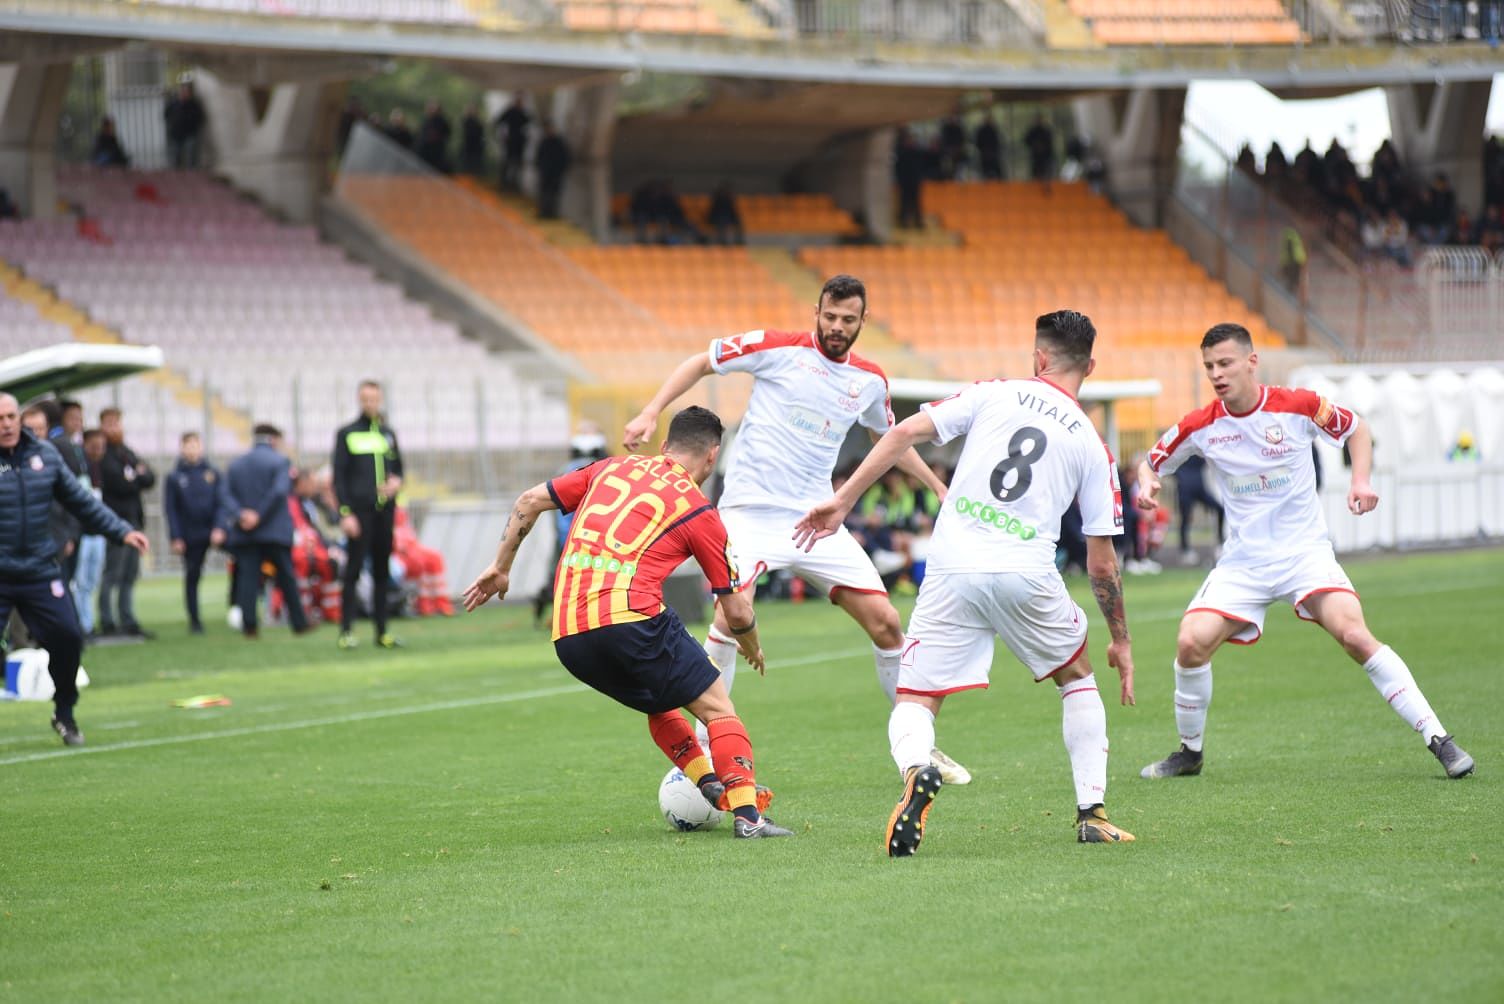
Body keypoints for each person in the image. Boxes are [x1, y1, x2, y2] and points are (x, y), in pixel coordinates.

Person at [794, 310, 1137, 853]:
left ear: (1039, 357)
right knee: (1076, 678)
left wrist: (842, 500)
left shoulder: (992, 393)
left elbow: (902, 432)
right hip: (1026, 570)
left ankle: (916, 768)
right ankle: (1092, 813)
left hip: (952, 566)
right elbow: (1102, 563)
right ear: (1089, 367)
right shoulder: (1094, 446)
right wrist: (1121, 639)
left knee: (915, 697)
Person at [623, 275, 970, 784]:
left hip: (816, 520)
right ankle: (706, 751)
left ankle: (919, 747)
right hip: (749, 513)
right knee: (729, 616)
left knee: (887, 623)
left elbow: (891, 439)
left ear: (862, 321)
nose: (837, 326)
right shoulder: (777, 348)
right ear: (817, 312)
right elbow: (701, 361)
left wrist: (938, 488)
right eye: (829, 316)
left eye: (847, 319)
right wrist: (651, 411)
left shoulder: (870, 381)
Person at [1136, 323, 1473, 781]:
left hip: (1303, 555)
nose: (1216, 374)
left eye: (1225, 363)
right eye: (1209, 366)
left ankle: (1440, 739)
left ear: (1251, 362)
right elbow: (1150, 462)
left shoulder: (1299, 405)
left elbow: (1357, 428)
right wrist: (1147, 483)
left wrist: (1360, 480)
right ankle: (1189, 753)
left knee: (1354, 635)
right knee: (1190, 643)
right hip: (1244, 563)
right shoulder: (1201, 424)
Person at [462, 406, 792, 839]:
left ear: (665, 446)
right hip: (629, 619)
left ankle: (710, 785)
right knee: (717, 708)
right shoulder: (698, 510)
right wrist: (752, 644)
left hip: (567, 635)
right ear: (713, 456)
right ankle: (749, 818)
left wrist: (501, 567)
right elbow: (737, 611)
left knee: (658, 701)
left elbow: (529, 500)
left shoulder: (610, 468)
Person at [0, 393, 148, 746]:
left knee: (68, 637)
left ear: (19, 418)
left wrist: (121, 530)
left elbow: (82, 502)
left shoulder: (45, 456)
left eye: (10, 417)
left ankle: (64, 712)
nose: (6, 424)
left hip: (39, 569)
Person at [332, 380, 404, 650]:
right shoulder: (347, 433)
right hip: (359, 513)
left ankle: (382, 631)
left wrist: (396, 483)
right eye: (365, 399)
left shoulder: (388, 434)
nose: (370, 403)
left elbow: (399, 469)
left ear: (380, 399)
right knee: (353, 571)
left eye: (374, 399)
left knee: (382, 571)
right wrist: (345, 513)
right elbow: (339, 477)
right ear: (359, 400)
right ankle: (346, 631)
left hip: (384, 512)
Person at [224, 425, 309, 638]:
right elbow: (279, 491)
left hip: (246, 532)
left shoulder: (236, 464)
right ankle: (299, 623)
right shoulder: (280, 461)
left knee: (248, 578)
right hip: (273, 530)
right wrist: (259, 515)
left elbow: (225, 494)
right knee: (286, 576)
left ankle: (249, 625)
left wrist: (242, 514)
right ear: (273, 439)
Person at [533, 429, 608, 627]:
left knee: (559, 576)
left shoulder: (565, 472)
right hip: (594, 537)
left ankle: (551, 613)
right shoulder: (604, 472)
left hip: (569, 536)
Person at [97, 407, 155, 638]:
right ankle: (107, 621)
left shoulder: (126, 452)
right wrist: (135, 476)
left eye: (117, 423)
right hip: (116, 524)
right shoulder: (104, 454)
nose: (114, 428)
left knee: (130, 574)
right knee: (113, 573)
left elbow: (149, 476)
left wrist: (134, 476)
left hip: (134, 521)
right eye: (109, 423)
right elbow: (119, 484)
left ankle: (127, 619)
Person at [164, 432, 228, 633]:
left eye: (195, 445)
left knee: (244, 559)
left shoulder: (213, 473)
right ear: (182, 448)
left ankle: (239, 607)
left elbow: (221, 503)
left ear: (201, 447)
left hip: (213, 531)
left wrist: (219, 527)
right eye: (188, 445)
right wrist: (176, 536)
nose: (192, 449)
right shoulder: (174, 477)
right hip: (190, 535)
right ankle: (195, 620)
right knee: (193, 575)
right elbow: (171, 509)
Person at [73, 428, 108, 636]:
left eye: (101, 447)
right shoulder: (79, 466)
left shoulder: (98, 468)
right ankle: (83, 625)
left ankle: (88, 622)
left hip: (98, 534)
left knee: (91, 582)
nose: (98, 450)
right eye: (94, 446)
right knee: (80, 582)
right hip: (83, 535)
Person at [1173, 453, 1224, 565]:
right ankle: (1185, 549)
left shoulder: (1200, 448)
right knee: (1185, 519)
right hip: (1185, 489)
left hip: (1200, 488)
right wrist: (1180, 477)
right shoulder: (1180, 450)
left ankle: (1220, 543)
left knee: (1220, 509)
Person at [163, 81, 206, 169]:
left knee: (191, 154)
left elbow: (200, 117)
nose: (184, 93)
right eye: (182, 91)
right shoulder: (173, 103)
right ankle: (177, 172)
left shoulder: (194, 104)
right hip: (176, 133)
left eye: (186, 92)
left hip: (190, 133)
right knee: (176, 155)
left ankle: (191, 172)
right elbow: (166, 114)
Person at [534, 123, 570, 220]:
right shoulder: (544, 142)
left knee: (554, 193)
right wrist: (539, 166)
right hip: (545, 171)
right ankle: (543, 211)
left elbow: (565, 158)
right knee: (544, 192)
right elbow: (539, 156)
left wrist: (561, 170)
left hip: (556, 173)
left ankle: (552, 213)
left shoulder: (559, 143)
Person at [495, 95, 531, 192]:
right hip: (511, 142)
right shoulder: (510, 112)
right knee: (507, 163)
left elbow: (529, 123)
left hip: (518, 144)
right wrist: (502, 136)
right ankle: (504, 184)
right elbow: (498, 121)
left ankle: (513, 184)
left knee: (516, 165)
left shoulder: (523, 113)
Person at [894, 128, 925, 230]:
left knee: (916, 202)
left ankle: (917, 221)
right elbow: (898, 168)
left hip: (914, 181)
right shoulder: (901, 153)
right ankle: (904, 221)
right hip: (905, 182)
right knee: (904, 202)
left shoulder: (917, 153)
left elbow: (921, 166)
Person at [416, 100, 452, 173]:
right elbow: (421, 135)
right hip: (424, 151)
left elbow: (447, 134)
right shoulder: (426, 121)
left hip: (436, 152)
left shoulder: (442, 122)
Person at [1024, 115, 1055, 182]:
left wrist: (1043, 147)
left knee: (1046, 170)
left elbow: (1049, 143)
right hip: (1036, 156)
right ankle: (1036, 181)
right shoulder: (1032, 131)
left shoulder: (1045, 131)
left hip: (1045, 157)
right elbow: (1026, 140)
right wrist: (1034, 145)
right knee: (1036, 170)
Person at [459, 104, 486, 176]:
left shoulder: (478, 122)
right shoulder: (466, 121)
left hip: (477, 146)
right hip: (468, 145)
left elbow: (481, 132)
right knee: (467, 164)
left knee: (476, 164)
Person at [975, 115, 1003, 180]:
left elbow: (997, 142)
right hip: (984, 154)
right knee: (985, 172)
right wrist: (984, 150)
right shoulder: (981, 131)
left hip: (992, 154)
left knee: (996, 171)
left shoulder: (993, 130)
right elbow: (978, 142)